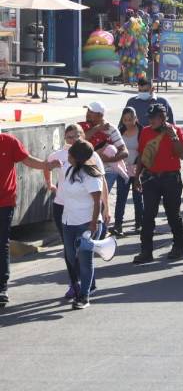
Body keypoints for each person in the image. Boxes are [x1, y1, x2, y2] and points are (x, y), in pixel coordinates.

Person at [45, 124, 109, 298]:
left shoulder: (91, 169)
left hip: (87, 220)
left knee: (84, 255)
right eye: (69, 137)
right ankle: (76, 283)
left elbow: (98, 198)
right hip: (68, 217)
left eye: (76, 137)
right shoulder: (68, 166)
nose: (71, 141)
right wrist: (50, 182)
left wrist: (98, 219)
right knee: (71, 254)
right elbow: (49, 171)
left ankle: (85, 292)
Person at [1, 133, 62, 306]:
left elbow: (27, 160)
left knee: (2, 243)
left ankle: (2, 288)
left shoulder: (9, 141)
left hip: (4, 203)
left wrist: (47, 165)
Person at [132, 104, 183, 264]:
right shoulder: (145, 132)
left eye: (154, 117)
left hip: (171, 179)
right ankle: (146, 251)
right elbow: (142, 155)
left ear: (163, 118)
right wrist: (137, 177)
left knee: (173, 214)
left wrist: (174, 137)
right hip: (150, 179)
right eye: (149, 118)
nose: (151, 121)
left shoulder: (175, 130)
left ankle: (178, 247)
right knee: (148, 215)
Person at [58, 140, 105, 310]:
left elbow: (97, 202)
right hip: (68, 222)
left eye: (71, 154)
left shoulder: (90, 175)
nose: (68, 156)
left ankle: (84, 296)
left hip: (87, 223)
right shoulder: (70, 170)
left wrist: (93, 224)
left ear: (78, 157)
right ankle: (78, 287)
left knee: (85, 260)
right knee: (70, 257)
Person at [79, 101, 129, 194]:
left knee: (101, 202)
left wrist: (108, 159)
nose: (87, 114)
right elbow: (79, 140)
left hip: (107, 172)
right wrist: (97, 128)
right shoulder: (83, 127)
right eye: (87, 111)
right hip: (86, 171)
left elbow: (124, 152)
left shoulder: (111, 129)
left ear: (100, 115)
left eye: (91, 112)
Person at [113, 108, 144, 237]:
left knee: (138, 197)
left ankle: (139, 224)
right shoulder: (119, 132)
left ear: (136, 118)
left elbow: (145, 150)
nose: (128, 122)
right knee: (121, 197)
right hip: (123, 169)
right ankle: (118, 225)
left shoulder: (142, 131)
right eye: (125, 120)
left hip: (138, 169)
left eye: (130, 119)